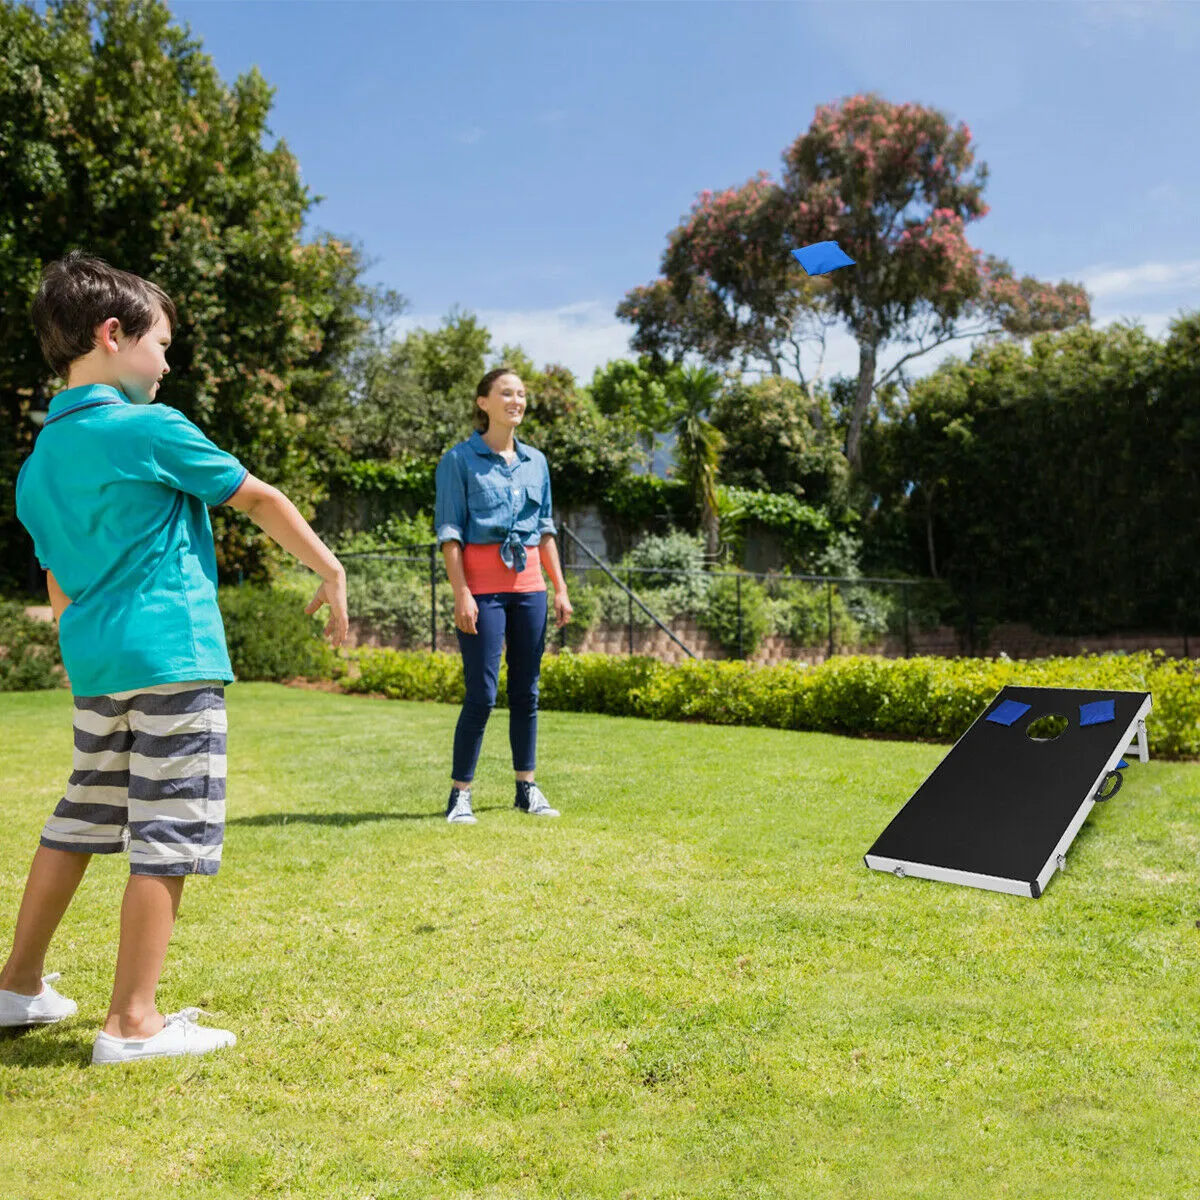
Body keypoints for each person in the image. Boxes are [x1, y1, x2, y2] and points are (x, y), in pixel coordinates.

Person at [0, 252, 349, 1063]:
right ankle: (132, 1024)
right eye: (160, 345)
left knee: (83, 816)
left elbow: (59, 584)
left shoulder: (38, 463)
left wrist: (93, 646)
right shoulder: (148, 427)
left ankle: (17, 985)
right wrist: (330, 569)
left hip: (97, 666)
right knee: (169, 829)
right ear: (112, 334)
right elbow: (257, 497)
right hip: (172, 655)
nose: (166, 364)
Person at [434, 367, 573, 824]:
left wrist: (560, 588)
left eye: (521, 394)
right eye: (506, 393)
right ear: (483, 403)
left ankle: (526, 787)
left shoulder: (537, 462)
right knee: (482, 694)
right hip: (483, 590)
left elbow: (546, 530)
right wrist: (461, 594)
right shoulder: (459, 460)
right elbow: (450, 535)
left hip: (529, 588)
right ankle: (460, 795)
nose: (516, 401)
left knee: (527, 692)